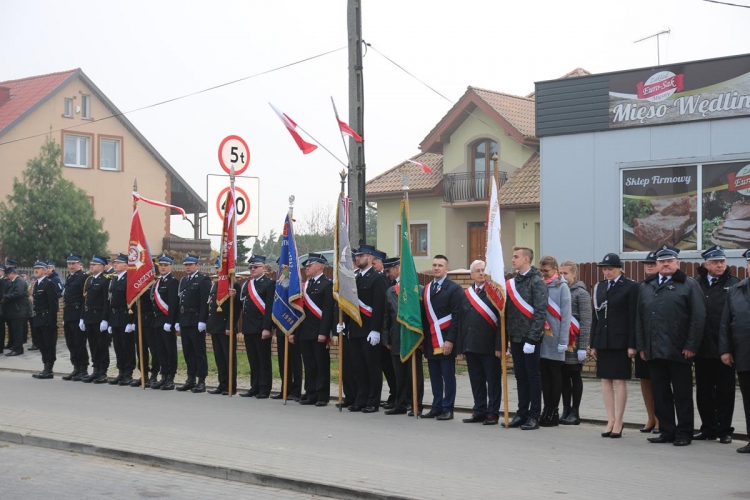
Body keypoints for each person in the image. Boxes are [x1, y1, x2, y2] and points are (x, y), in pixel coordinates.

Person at [637, 245, 706, 446]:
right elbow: (639, 319)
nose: (665, 264)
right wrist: (642, 346)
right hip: (654, 349)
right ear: (657, 264)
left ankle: (684, 432)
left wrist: (691, 345)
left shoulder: (689, 285)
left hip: (680, 349)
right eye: (662, 261)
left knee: (682, 394)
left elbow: (698, 317)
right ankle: (667, 431)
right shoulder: (646, 286)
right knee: (660, 392)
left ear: (677, 263)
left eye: (669, 261)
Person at [694, 245, 740, 444]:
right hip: (702, 347)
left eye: (722, 261)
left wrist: (729, 348)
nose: (720, 265)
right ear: (706, 265)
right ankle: (708, 428)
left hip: (724, 349)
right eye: (715, 262)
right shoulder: (696, 284)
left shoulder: (735, 284)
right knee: (703, 390)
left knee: (725, 391)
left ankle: (724, 430)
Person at [590, 253, 639, 438]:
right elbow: (596, 316)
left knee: (619, 380)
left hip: (621, 341)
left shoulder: (630, 287)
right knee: (605, 380)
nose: (607, 272)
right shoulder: (600, 287)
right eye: (604, 269)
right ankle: (610, 419)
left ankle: (619, 420)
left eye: (610, 269)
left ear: (620, 269)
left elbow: (633, 317)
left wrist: (632, 344)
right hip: (603, 339)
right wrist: (593, 343)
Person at [341, 244, 388, 414]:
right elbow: (350, 304)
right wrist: (345, 323)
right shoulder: (355, 278)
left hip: (369, 331)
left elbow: (379, 306)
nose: (357, 258)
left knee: (372, 367)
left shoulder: (377, 278)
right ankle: (361, 399)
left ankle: (373, 401)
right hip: (355, 330)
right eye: (357, 256)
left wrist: (375, 330)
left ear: (370, 258)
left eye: (361, 256)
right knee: (358, 367)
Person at [504, 247, 548, 430]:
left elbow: (540, 313)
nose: (512, 259)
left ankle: (534, 415)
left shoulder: (537, 281)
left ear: (526, 259)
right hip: (515, 336)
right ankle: (521, 413)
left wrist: (532, 339)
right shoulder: (513, 282)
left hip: (530, 338)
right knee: (520, 376)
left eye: (516, 257)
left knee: (533, 377)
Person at [459, 260, 502, 425]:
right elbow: (461, 320)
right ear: (471, 274)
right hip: (471, 345)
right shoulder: (466, 294)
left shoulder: (495, 293)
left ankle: (492, 413)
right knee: (476, 381)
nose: (481, 273)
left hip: (489, 346)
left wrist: (499, 345)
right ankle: (479, 410)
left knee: (493, 381)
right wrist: (461, 346)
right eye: (477, 270)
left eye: (483, 270)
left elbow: (501, 321)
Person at [422, 254, 463, 421]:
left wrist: (450, 340)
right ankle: (436, 406)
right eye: (434, 265)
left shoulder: (454, 289)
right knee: (434, 376)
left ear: (447, 268)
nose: (436, 268)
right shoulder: (427, 289)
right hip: (431, 340)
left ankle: (448, 408)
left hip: (445, 340)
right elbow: (424, 317)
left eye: (440, 265)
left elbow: (457, 317)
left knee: (448, 376)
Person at [382, 257, 425, 416]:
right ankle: (400, 404)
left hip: (412, 338)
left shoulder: (418, 290)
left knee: (414, 375)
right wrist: (386, 338)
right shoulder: (390, 291)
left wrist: (423, 339)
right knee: (399, 375)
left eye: (390, 270)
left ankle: (416, 405)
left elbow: (423, 316)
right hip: (396, 338)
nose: (388, 274)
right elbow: (386, 316)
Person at [719, 249, 750, 453]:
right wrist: (725, 350)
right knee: (748, 399)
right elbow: (725, 323)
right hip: (745, 352)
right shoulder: (736, 290)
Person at [294, 253, 334, 406]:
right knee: (309, 364)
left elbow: (328, 311)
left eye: (309, 265)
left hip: (318, 332)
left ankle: (322, 395)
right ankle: (311, 392)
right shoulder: (306, 285)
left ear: (319, 266)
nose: (306, 268)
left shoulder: (327, 284)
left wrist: (323, 333)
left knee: (321, 365)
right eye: (306, 266)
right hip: (305, 331)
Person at [536, 256, 571, 427]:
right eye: (541, 271)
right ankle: (546, 409)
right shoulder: (540, 285)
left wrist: (563, 340)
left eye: (546, 271)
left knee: (555, 375)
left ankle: (553, 411)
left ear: (555, 270)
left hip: (556, 338)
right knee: (544, 377)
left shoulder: (562, 287)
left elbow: (566, 315)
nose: (543, 274)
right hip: (542, 338)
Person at [559, 261, 591, 426]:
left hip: (575, 343)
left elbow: (585, 322)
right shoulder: (560, 290)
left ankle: (575, 411)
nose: (562, 276)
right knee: (563, 378)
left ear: (574, 274)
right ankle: (565, 409)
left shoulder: (581, 293)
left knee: (574, 376)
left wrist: (582, 347)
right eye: (560, 273)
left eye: (566, 273)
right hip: (562, 342)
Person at [238, 255, 275, 399]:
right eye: (251, 267)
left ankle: (264, 388)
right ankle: (254, 387)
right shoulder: (247, 284)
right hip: (248, 327)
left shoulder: (269, 284)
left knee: (263, 359)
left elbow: (269, 307)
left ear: (263, 268)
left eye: (255, 267)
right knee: (253, 359)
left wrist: (267, 328)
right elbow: (243, 305)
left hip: (261, 327)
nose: (252, 269)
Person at [176, 254, 211, 393]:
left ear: (197, 265)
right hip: (185, 319)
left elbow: (205, 302)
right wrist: (178, 320)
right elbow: (180, 302)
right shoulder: (184, 280)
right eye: (186, 265)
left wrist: (202, 320)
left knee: (199, 351)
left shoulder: (203, 279)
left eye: (190, 264)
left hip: (196, 320)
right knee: (188, 351)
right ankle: (190, 379)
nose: (188, 267)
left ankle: (201, 380)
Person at [635, 250, 660, 434]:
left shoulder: (665, 284)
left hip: (660, 342)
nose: (649, 266)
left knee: (659, 381)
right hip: (644, 341)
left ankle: (661, 419)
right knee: (645, 379)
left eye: (653, 263)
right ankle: (650, 417)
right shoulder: (641, 287)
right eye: (647, 264)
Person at [207, 258, 240, 395]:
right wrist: (210, 326)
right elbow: (211, 306)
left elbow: (236, 309)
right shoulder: (216, 284)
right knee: (219, 358)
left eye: (220, 268)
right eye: (216, 268)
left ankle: (231, 386)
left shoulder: (234, 284)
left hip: (226, 327)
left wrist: (230, 326)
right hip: (215, 326)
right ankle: (222, 384)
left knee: (228, 358)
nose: (217, 270)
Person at [80, 256, 111, 384]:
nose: (91, 266)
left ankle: (103, 371)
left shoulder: (105, 280)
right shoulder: (89, 280)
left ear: (102, 266)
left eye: (94, 264)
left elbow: (106, 302)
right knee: (92, 344)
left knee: (102, 345)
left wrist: (104, 319)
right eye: (91, 264)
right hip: (89, 317)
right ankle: (96, 368)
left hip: (99, 317)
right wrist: (82, 317)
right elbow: (85, 301)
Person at [151, 255, 180, 391]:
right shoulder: (158, 281)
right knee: (160, 350)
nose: (162, 267)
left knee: (170, 350)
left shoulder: (173, 282)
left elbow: (173, 305)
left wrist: (170, 322)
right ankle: (163, 376)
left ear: (170, 267)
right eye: (161, 265)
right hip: (157, 320)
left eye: (165, 265)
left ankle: (170, 377)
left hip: (167, 321)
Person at [107, 254, 135, 386]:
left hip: (125, 316)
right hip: (115, 317)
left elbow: (132, 301)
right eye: (115, 262)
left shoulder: (129, 279)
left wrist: (131, 321)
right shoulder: (114, 279)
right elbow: (111, 301)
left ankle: (128, 373)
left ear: (126, 265)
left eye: (118, 262)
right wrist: (109, 321)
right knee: (118, 346)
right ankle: (121, 371)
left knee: (127, 346)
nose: (115, 264)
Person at [61, 254, 89, 381]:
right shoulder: (69, 277)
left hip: (77, 313)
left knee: (79, 343)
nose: (71, 266)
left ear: (79, 264)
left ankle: (83, 369)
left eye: (73, 263)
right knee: (71, 343)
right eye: (69, 264)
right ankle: (76, 367)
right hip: (69, 313)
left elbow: (84, 299)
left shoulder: (83, 277)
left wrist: (83, 317)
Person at [30, 260, 59, 379]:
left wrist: (51, 321)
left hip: (46, 318)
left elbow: (53, 304)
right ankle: (45, 367)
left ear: (45, 270)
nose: (36, 270)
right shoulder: (37, 284)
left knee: (48, 344)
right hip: (38, 318)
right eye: (35, 268)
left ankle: (49, 369)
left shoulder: (49, 284)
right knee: (41, 344)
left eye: (38, 268)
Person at [3, 261, 30, 357]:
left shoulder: (19, 281)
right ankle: (15, 347)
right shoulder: (14, 281)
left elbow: (18, 293)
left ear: (12, 273)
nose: (7, 277)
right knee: (15, 331)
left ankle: (18, 349)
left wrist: (5, 297)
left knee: (18, 331)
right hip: (15, 311)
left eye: (8, 275)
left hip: (19, 311)